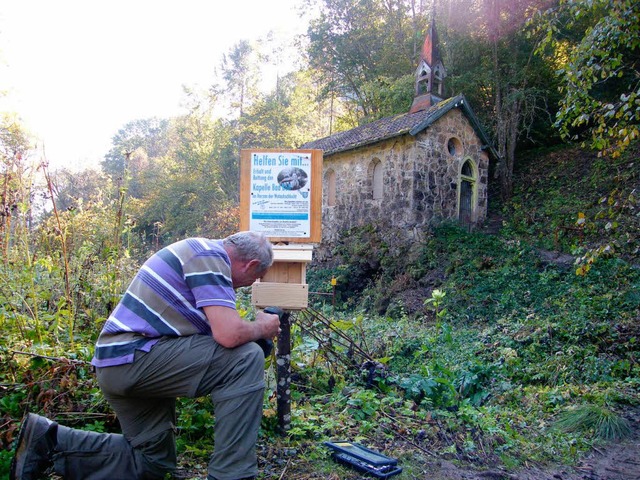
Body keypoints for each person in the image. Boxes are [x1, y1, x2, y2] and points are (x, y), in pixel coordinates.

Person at [10, 231, 281, 480]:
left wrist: (254, 336)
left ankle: (50, 440)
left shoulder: (197, 257)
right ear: (251, 264)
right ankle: (232, 475)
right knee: (246, 359)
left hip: (117, 364)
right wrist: (262, 327)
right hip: (135, 357)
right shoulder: (210, 256)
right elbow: (229, 336)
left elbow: (214, 343)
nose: (245, 286)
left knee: (152, 463)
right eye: (253, 279)